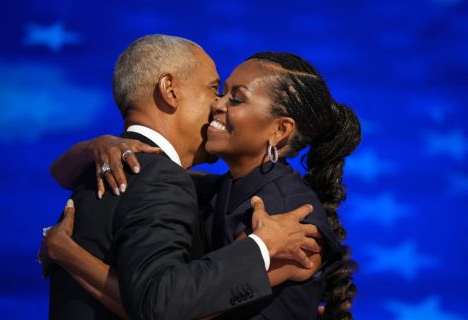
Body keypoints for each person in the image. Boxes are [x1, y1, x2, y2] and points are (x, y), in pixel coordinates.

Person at [46, 51, 361, 319]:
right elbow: (63, 174)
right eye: (221, 92)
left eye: (235, 98)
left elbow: (172, 310)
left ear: (279, 130)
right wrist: (99, 145)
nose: (217, 104)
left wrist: (67, 254)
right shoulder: (215, 189)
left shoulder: (287, 217)